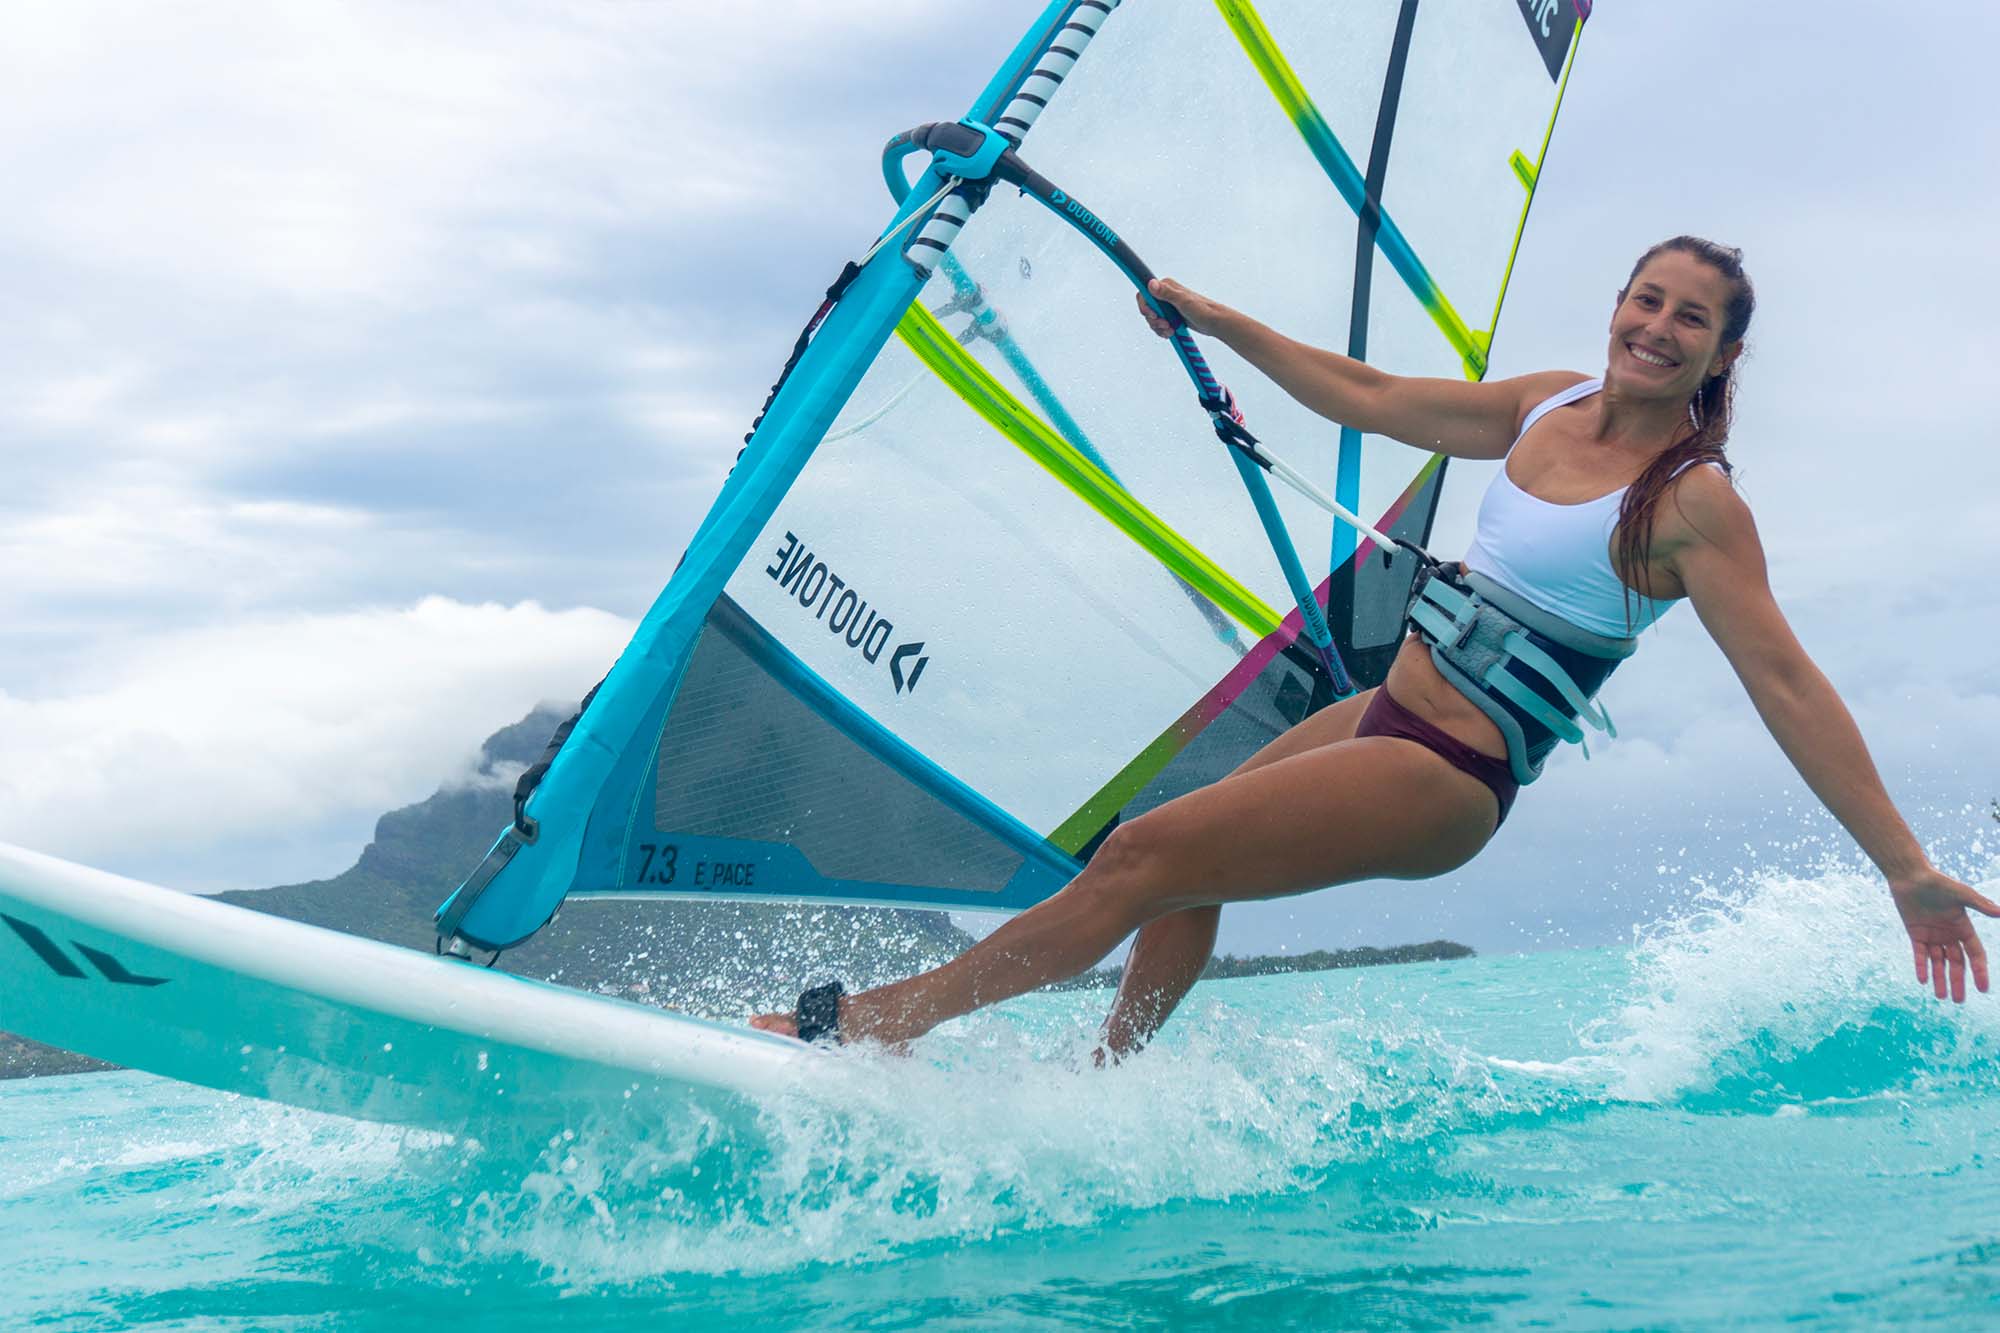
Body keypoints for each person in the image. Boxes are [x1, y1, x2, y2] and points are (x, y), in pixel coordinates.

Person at [752, 236, 1997, 1055]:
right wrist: (1219, 322)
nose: (1658, 326)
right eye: (1646, 298)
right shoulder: (1546, 401)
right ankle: (1106, 1086)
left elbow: (1781, 680)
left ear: (1723, 356)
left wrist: (1903, 866)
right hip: (1381, 716)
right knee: (1189, 863)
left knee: (1143, 852)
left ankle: (869, 1026)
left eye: (1693, 319)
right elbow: (1374, 397)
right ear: (1618, 305)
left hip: (1446, 778)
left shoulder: (1689, 501)